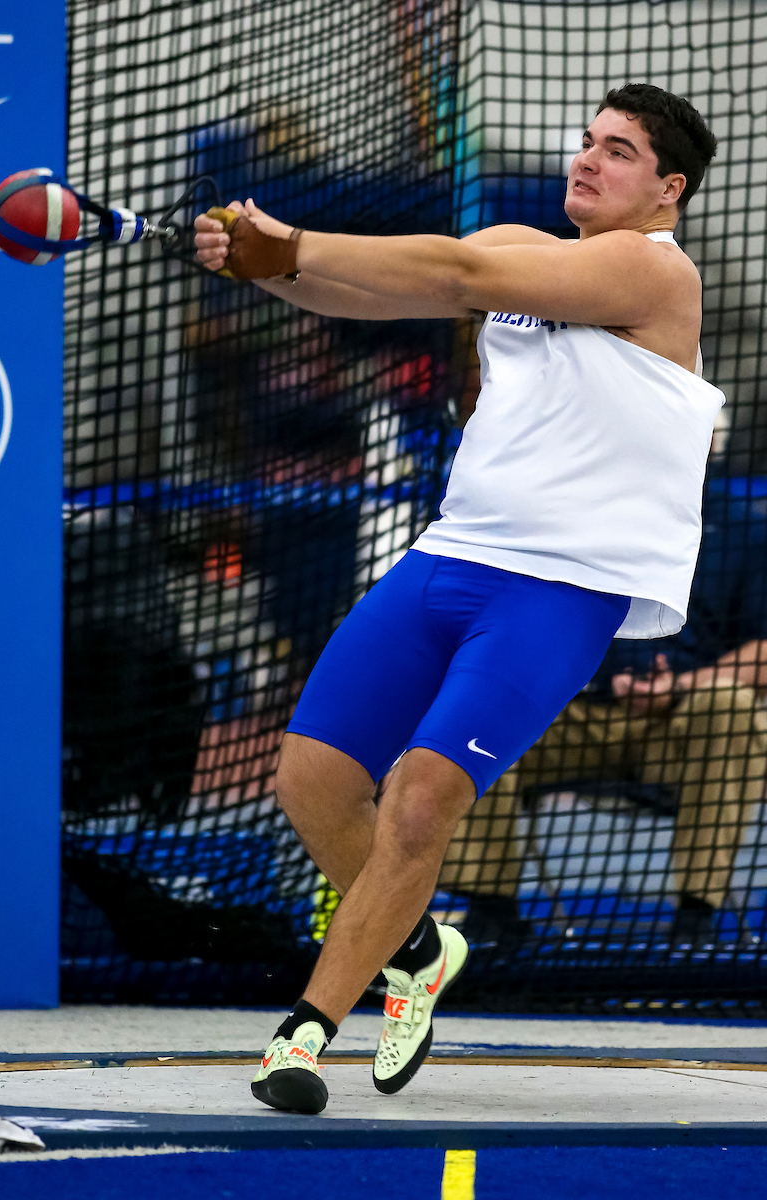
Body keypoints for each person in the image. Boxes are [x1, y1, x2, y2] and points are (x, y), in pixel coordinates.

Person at [195, 82, 720, 1114]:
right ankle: (418, 949)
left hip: (559, 591)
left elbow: (453, 266)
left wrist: (291, 239)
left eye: (615, 151)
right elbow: (379, 294)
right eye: (584, 140)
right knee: (307, 778)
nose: (585, 159)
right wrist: (271, 273)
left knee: (424, 793)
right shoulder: (536, 252)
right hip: (449, 560)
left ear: (667, 191)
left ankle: (305, 1035)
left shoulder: (650, 273)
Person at [440, 481, 767, 950]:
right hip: (567, 714)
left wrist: (677, 686)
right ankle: (493, 917)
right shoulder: (563, 512)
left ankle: (696, 922)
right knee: (479, 710)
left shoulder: (745, 528)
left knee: (731, 707)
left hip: (679, 727)